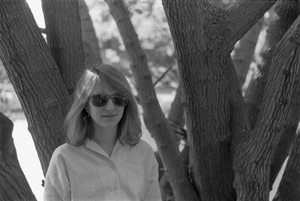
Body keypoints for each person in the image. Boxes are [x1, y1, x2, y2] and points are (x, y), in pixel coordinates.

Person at [43, 64, 161, 201]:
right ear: (86, 105)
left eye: (118, 99)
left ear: (126, 103)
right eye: (100, 99)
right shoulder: (63, 158)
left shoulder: (144, 152)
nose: (110, 107)